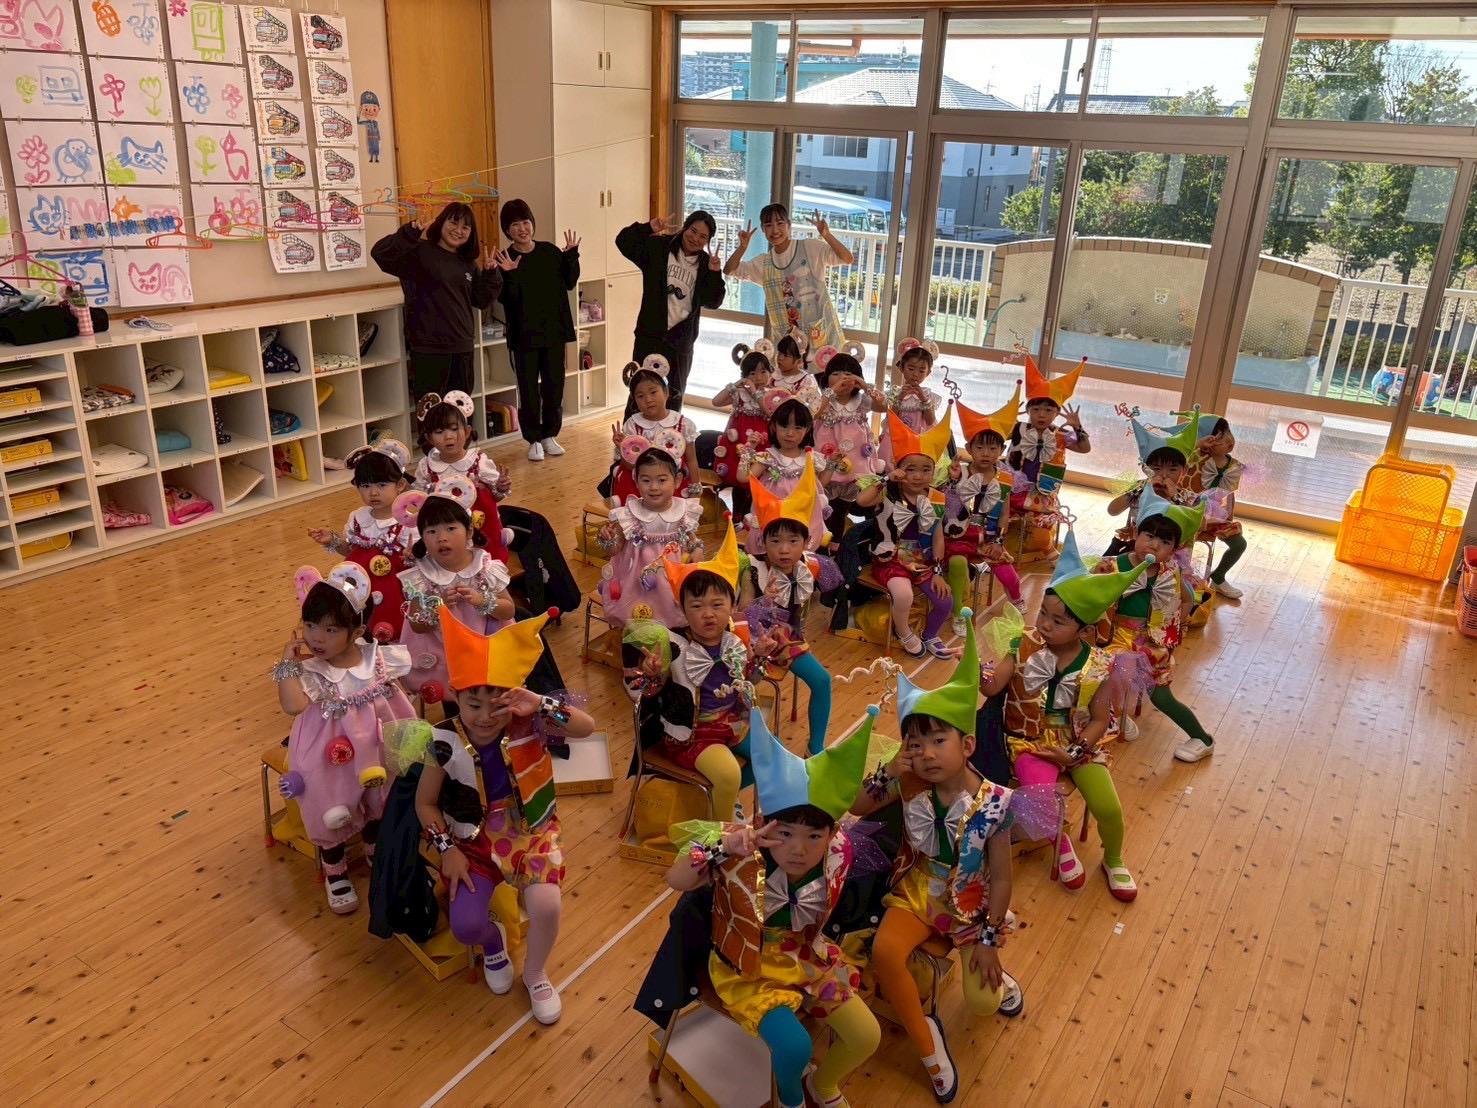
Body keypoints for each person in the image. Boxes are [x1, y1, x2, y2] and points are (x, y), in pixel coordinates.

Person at [851, 613, 1040, 1104]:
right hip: (918, 893)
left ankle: (998, 974)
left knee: (982, 1004)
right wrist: (888, 772)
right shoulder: (910, 781)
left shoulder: (996, 802)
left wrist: (989, 940)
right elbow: (857, 806)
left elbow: (1002, 880)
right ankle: (927, 1043)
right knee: (885, 952)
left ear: (967, 744)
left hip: (973, 906)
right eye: (916, 744)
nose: (928, 754)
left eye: (939, 741)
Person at [663, 707, 884, 1108]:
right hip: (748, 968)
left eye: (813, 836)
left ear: (832, 833)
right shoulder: (739, 850)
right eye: (785, 833)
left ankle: (823, 1085)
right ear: (765, 822)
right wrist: (723, 845)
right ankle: (791, 1100)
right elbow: (676, 879)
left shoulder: (838, 853)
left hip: (807, 957)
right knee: (795, 1046)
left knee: (867, 1035)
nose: (798, 849)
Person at [407, 608, 595, 1024]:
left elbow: (585, 727)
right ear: (456, 696)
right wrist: (447, 850)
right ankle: (494, 944)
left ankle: (536, 973)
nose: (485, 717)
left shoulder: (532, 722)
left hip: (532, 831)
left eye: (498, 705)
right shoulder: (443, 741)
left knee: (546, 906)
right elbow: (425, 804)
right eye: (473, 704)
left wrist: (540, 703)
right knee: (465, 927)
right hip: (471, 841)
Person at [997, 534, 1153, 901]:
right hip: (1029, 741)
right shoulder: (1024, 644)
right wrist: (982, 671)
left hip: (1076, 741)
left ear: (1085, 630)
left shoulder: (1100, 665)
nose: (1045, 625)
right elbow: (994, 688)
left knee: (1109, 808)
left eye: (1058, 621)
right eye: (1043, 614)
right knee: (1040, 796)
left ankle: (1113, 859)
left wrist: (1074, 751)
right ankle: (1059, 840)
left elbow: (1099, 719)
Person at [273, 562, 416, 914]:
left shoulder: (378, 658)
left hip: (375, 746)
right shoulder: (311, 670)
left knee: (378, 794)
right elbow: (292, 706)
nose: (316, 637)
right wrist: (286, 664)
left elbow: (403, 695)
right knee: (329, 802)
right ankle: (334, 866)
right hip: (326, 754)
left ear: (357, 630)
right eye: (310, 625)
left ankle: (374, 845)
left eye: (330, 629)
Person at [624, 523, 777, 820]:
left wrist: (758, 658)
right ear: (683, 610)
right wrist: (652, 673)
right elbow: (644, 695)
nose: (708, 614)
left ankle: (724, 799)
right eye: (697, 606)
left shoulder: (735, 640)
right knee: (729, 774)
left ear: (732, 605)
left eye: (717, 604)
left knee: (773, 756)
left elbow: (747, 682)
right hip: (691, 736)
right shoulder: (674, 646)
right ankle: (720, 836)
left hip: (731, 724)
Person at [1099, 488, 1217, 765]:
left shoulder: (1169, 572)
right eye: (1148, 536)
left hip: (1151, 645)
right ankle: (1114, 717)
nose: (1153, 545)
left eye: (1164, 542)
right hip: (1113, 638)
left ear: (1174, 550)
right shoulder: (1112, 565)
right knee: (1094, 679)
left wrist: (1176, 627)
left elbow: (1187, 597)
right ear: (1135, 534)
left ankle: (1202, 739)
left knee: (1162, 697)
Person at [737, 452, 834, 755]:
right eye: (775, 541)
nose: (783, 550)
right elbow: (741, 615)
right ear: (763, 541)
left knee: (822, 681)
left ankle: (815, 748)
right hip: (751, 644)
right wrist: (764, 600)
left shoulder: (810, 566)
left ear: (806, 542)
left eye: (793, 541)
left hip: (788, 640)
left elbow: (830, 591)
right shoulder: (753, 568)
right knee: (736, 697)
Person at [395, 482, 515, 707]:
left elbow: (508, 610)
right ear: (422, 538)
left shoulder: (484, 567)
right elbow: (417, 625)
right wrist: (437, 608)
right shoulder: (421, 576)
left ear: (469, 531)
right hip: (445, 657)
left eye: (450, 528)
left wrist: (482, 601)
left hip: (486, 651)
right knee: (456, 701)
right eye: (431, 531)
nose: (441, 537)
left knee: (490, 701)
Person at [855, 407, 957, 660]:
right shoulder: (888, 492)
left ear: (934, 471)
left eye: (926, 469)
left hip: (923, 561)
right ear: (899, 469)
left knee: (946, 601)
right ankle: (904, 631)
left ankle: (930, 634)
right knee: (903, 594)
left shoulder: (937, 498)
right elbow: (861, 501)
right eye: (910, 469)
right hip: (890, 560)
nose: (918, 476)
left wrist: (938, 571)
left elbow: (938, 537)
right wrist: (886, 479)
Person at [371, 202, 501, 399]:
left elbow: (480, 300)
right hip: (429, 348)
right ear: (441, 222)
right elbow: (380, 254)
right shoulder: (419, 251)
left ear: (471, 233)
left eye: (465, 227)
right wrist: (408, 233)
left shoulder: (468, 263)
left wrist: (491, 274)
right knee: (430, 410)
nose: (458, 230)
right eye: (453, 223)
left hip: (462, 346)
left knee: (460, 409)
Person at [495, 198, 580, 462]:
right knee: (529, 390)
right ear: (507, 230)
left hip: (554, 332)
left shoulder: (550, 251)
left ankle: (549, 435)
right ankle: (533, 438)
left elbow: (570, 282)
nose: (522, 229)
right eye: (515, 225)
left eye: (526, 222)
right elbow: (506, 299)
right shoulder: (505, 258)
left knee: (554, 386)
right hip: (524, 337)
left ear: (532, 223)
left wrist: (572, 255)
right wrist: (510, 274)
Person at [616, 211, 726, 413]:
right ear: (685, 227)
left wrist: (714, 272)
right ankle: (632, 434)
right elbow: (623, 241)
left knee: (673, 397)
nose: (695, 238)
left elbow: (713, 301)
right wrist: (649, 227)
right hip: (650, 335)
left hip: (680, 342)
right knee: (639, 394)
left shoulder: (705, 263)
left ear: (708, 241)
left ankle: (671, 435)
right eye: (693, 231)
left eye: (703, 236)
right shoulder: (659, 247)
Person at [308, 438, 416, 642]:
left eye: (382, 484)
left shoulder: (408, 523)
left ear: (400, 485)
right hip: (356, 586)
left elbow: (417, 563)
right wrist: (333, 541)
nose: (373, 492)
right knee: (356, 623)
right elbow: (352, 554)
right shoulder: (358, 518)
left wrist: (412, 557)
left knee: (391, 628)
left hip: (393, 591)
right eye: (365, 485)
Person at [597, 447, 705, 630]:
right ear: (636, 481)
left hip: (673, 579)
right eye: (646, 480)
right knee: (639, 627)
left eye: (662, 480)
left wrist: (697, 549)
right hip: (635, 585)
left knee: (674, 624)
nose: (654, 487)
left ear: (677, 480)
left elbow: (691, 539)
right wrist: (607, 538)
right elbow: (614, 550)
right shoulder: (629, 514)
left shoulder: (683, 511)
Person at [724, 204, 854, 351]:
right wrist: (742, 247)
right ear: (762, 229)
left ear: (789, 225)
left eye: (780, 223)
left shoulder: (810, 247)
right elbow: (729, 270)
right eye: (768, 225)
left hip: (823, 340)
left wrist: (826, 234)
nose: (775, 230)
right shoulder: (763, 263)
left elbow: (847, 258)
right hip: (789, 347)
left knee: (828, 365)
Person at [945, 390, 1024, 629]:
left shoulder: (1005, 480)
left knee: (1010, 577)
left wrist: (998, 541)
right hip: (959, 537)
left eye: (993, 448)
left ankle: (1016, 600)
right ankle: (958, 613)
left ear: (1002, 450)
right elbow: (947, 508)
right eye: (980, 448)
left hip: (989, 539)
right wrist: (952, 482)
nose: (986, 454)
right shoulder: (959, 473)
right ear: (969, 448)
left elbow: (1004, 514)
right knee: (957, 565)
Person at [1007, 353, 1090, 558]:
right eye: (1036, 409)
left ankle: (1044, 547)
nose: (1042, 414)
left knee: (1043, 521)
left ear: (1056, 413)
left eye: (1048, 410)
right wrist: (1006, 418)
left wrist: (1078, 427)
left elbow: (1084, 448)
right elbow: (995, 436)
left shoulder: (1061, 435)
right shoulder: (1017, 429)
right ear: (1028, 411)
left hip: (1043, 493)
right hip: (1014, 488)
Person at [412, 391, 509, 563]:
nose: (448, 436)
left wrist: (500, 487)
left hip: (481, 529)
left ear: (467, 431)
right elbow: (419, 499)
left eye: (454, 429)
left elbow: (496, 497)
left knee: (481, 564)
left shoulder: (479, 461)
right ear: (429, 438)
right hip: (443, 532)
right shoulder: (426, 467)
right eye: (439, 431)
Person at [1103, 411, 1201, 557]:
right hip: (1132, 550)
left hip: (1167, 556)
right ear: (1145, 468)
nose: (1164, 475)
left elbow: (1199, 525)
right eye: (1156, 468)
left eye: (1172, 469)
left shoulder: (1187, 496)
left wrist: (1176, 497)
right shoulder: (1139, 488)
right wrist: (1139, 490)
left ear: (1184, 470)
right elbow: (1112, 510)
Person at [606, 356, 701, 505]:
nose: (648, 400)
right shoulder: (632, 425)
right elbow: (629, 466)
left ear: (666, 392)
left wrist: (696, 487)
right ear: (635, 400)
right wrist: (622, 448)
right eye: (640, 396)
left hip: (672, 486)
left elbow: (691, 459)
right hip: (638, 486)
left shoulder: (683, 424)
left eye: (653, 392)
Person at [740, 398, 829, 555]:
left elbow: (820, 484)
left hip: (802, 513)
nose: (790, 433)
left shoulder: (811, 457)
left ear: (808, 429)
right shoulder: (769, 456)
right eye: (784, 426)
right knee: (770, 549)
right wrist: (749, 449)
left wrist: (833, 465)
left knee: (798, 550)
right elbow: (743, 477)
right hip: (772, 513)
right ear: (774, 426)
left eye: (798, 427)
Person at [1188, 416, 1249, 599]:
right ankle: (1181, 577)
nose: (1228, 440)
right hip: (1190, 515)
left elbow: (1228, 497)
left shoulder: (1235, 466)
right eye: (1219, 438)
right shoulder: (1196, 459)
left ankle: (1219, 576)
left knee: (1239, 544)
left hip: (1218, 518)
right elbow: (1180, 455)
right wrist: (1197, 445)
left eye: (1228, 433)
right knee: (1183, 543)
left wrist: (1226, 517)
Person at [711, 342, 775, 487]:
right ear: (745, 375)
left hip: (760, 439)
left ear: (770, 372)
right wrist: (737, 384)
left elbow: (769, 412)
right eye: (752, 373)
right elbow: (716, 402)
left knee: (756, 476)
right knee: (734, 471)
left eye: (763, 372)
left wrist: (755, 392)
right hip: (737, 438)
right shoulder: (740, 392)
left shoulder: (772, 394)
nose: (758, 377)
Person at [882, 338, 944, 465]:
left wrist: (923, 399)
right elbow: (891, 419)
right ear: (901, 367)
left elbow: (930, 421)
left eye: (921, 370)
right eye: (911, 369)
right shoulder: (895, 392)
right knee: (892, 463)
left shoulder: (928, 395)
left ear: (928, 372)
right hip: (897, 437)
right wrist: (899, 398)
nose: (916, 374)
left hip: (918, 438)